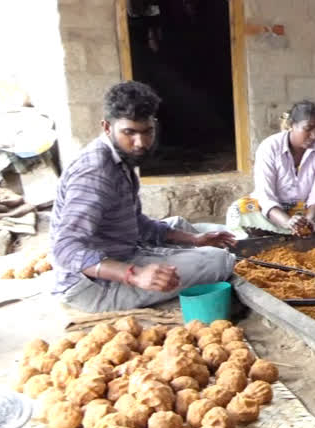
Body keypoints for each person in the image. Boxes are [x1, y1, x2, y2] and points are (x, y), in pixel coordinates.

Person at [50, 81, 236, 313]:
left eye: (147, 132)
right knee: (219, 260)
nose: (140, 143)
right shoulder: (95, 173)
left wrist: (194, 240)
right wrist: (135, 275)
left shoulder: (121, 158)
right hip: (92, 286)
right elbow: (64, 249)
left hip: (124, 250)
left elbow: (136, 222)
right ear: (107, 127)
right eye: (130, 132)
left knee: (181, 225)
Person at [226, 100, 315, 237]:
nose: (314, 135)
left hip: (305, 210)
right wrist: (287, 222)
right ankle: (270, 235)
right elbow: (265, 196)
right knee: (237, 210)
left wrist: (308, 221)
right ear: (291, 125)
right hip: (274, 211)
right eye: (308, 128)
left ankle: (314, 232)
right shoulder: (269, 148)